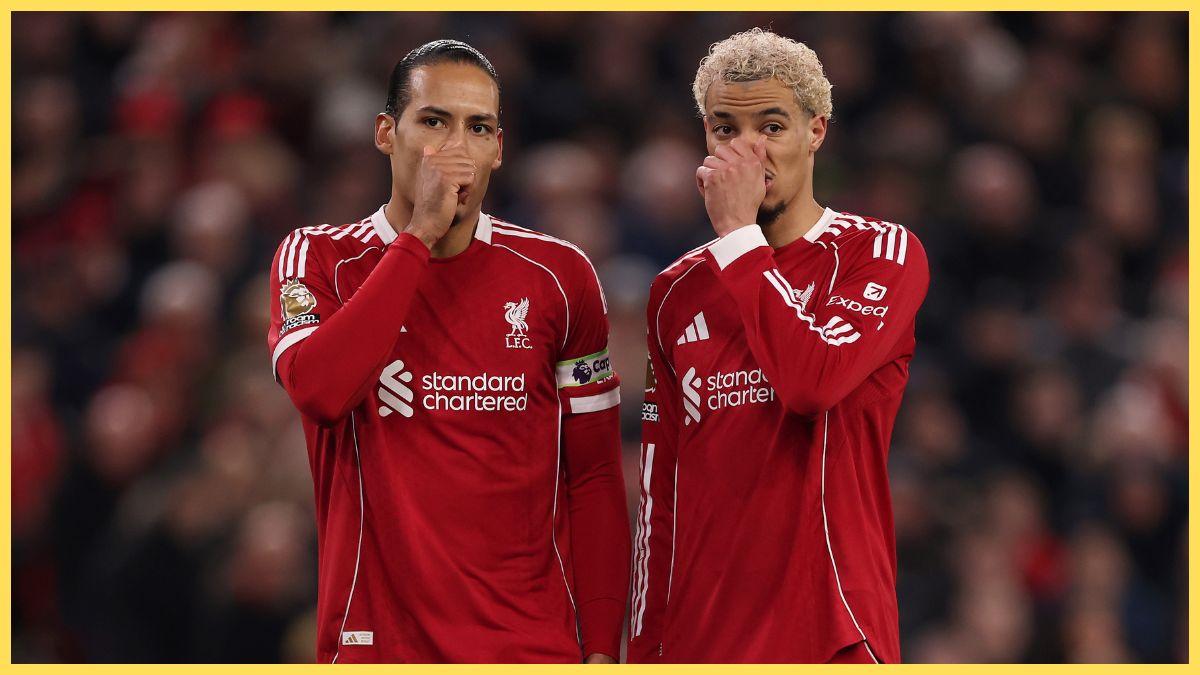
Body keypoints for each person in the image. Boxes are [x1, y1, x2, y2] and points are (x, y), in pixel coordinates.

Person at [266, 40, 629, 664]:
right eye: (433, 121)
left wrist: (599, 647)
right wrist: (417, 239)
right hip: (378, 645)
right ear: (387, 132)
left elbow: (593, 474)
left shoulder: (559, 278)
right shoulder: (318, 258)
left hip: (531, 648)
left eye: (478, 127)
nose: (455, 146)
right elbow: (320, 393)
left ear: (499, 148)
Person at [627, 28, 929, 664]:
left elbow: (811, 382)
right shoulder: (674, 292)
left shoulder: (878, 254)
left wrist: (738, 239)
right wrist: (642, 646)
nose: (746, 152)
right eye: (725, 129)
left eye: (771, 126)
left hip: (831, 629)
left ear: (816, 131)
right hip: (701, 642)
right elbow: (662, 492)